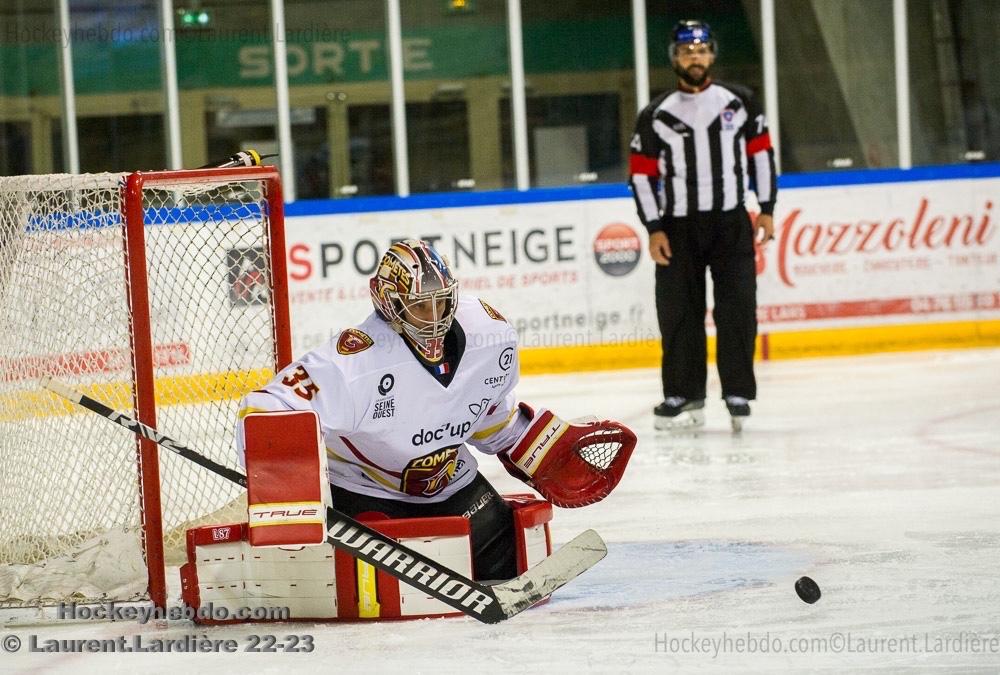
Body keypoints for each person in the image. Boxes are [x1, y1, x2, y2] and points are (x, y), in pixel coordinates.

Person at [236, 239, 633, 582]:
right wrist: (286, 490)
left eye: (441, 302)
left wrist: (540, 447)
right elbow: (266, 406)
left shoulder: (489, 335)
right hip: (367, 492)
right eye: (419, 307)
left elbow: (487, 415)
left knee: (507, 559)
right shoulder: (353, 364)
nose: (435, 318)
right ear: (389, 306)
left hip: (453, 483)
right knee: (381, 590)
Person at [627, 20, 777, 431]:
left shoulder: (740, 102)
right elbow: (641, 176)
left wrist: (767, 208)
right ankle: (683, 393)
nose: (694, 57)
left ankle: (738, 392)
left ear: (712, 55)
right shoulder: (655, 114)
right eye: (686, 51)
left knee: (738, 308)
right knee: (678, 312)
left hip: (731, 223)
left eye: (701, 50)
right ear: (674, 59)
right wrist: (654, 228)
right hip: (677, 229)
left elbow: (762, 157)